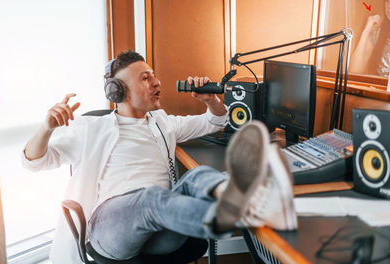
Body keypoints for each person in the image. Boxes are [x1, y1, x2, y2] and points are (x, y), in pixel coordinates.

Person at [22, 50, 297, 263]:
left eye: (153, 75)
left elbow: (214, 122)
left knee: (197, 175)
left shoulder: (162, 122)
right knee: (151, 198)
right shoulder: (90, 127)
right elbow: (34, 162)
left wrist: (211, 101)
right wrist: (47, 127)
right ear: (118, 92)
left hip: (161, 228)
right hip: (111, 229)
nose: (156, 82)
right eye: (145, 78)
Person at [350, 0, 390, 77]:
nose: (389, 6)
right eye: (387, 1)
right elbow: (354, 72)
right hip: (378, 87)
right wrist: (366, 31)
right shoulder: (379, 33)